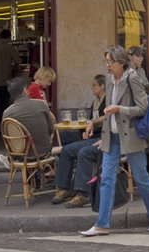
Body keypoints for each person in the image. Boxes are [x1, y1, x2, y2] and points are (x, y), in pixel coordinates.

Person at [80, 45, 149, 237]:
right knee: (106, 179)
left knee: (141, 177)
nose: (108, 65)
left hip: (131, 136)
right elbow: (109, 111)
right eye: (106, 62)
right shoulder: (109, 80)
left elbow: (142, 108)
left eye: (111, 62)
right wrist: (97, 125)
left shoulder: (132, 78)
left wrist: (120, 109)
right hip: (112, 136)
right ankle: (102, 224)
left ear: (121, 62)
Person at [52, 74, 107, 208]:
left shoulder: (109, 100)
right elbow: (90, 121)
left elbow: (108, 117)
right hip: (94, 137)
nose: (92, 87)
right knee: (66, 150)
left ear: (102, 86)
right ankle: (63, 188)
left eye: (94, 85)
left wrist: (93, 123)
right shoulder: (95, 102)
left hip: (105, 138)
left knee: (84, 152)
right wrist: (86, 130)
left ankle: (84, 193)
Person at [1, 77, 55, 188]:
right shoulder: (41, 104)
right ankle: (37, 178)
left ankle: (31, 181)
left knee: (25, 145)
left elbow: (7, 139)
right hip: (43, 152)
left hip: (21, 155)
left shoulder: (7, 113)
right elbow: (51, 129)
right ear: (25, 90)